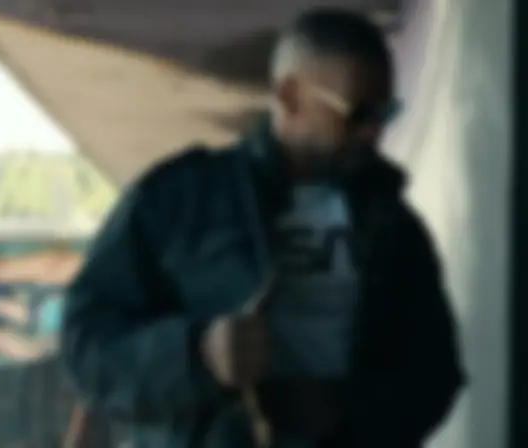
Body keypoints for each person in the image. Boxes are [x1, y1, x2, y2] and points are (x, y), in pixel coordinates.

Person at [60, 7, 464, 448]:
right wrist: (198, 355)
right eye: (357, 114)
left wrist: (342, 408)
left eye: (385, 114)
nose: (372, 133)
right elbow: (85, 345)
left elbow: (435, 375)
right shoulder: (182, 200)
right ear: (290, 96)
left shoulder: (394, 228)